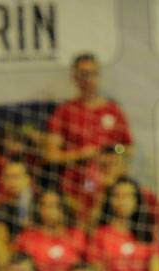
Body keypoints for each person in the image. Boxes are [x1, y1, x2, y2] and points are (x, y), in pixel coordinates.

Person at [45, 54, 133, 211]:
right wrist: (82, 154)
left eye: (93, 74)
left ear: (99, 76)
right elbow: (51, 155)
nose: (89, 79)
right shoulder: (64, 112)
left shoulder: (113, 111)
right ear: (74, 78)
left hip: (109, 188)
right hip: (74, 189)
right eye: (83, 75)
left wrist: (112, 152)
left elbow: (126, 148)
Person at [87, 177, 159, 271]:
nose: (122, 201)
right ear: (110, 200)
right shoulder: (100, 235)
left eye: (128, 196)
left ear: (137, 200)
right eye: (117, 196)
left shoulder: (149, 234)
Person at [14, 190, 87, 271]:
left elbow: (88, 268)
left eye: (54, 205)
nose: (50, 210)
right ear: (38, 209)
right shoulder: (27, 237)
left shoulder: (76, 235)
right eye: (45, 206)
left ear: (63, 208)